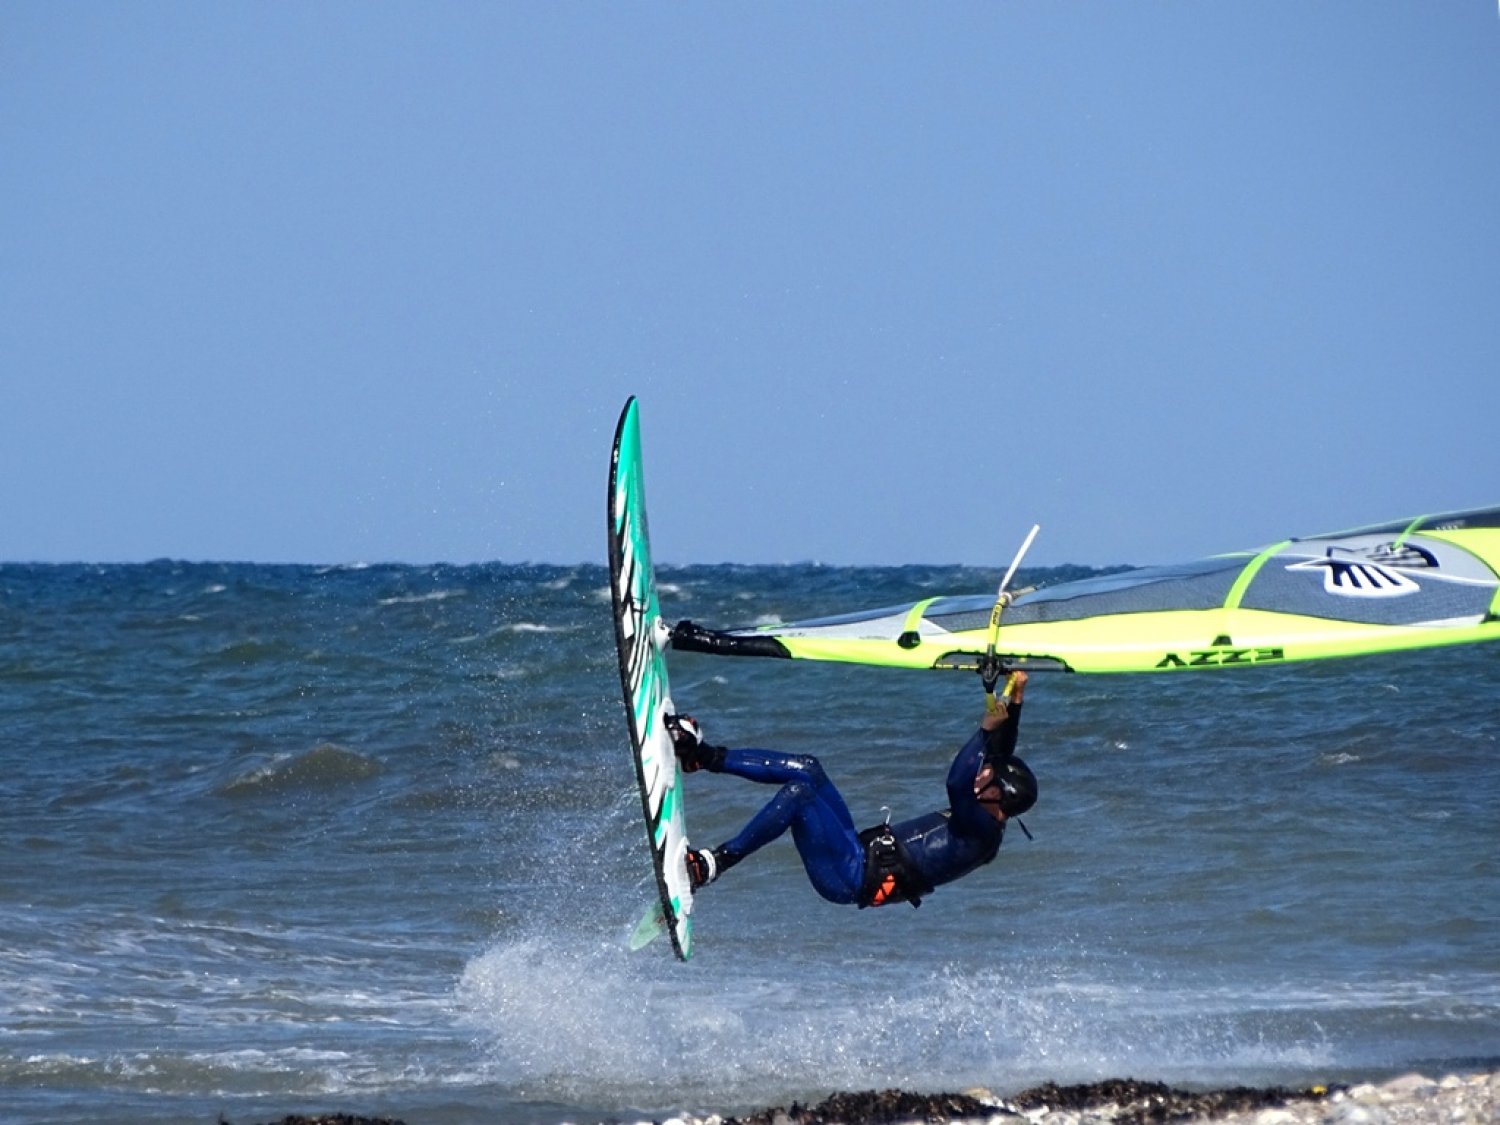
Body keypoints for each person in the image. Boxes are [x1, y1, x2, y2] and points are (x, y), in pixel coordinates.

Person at [665, 671, 1035, 909]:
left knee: (799, 795)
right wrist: (1016, 698)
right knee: (809, 769)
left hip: (849, 876)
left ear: (995, 796)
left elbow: (956, 780)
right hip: (856, 848)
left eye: (986, 776)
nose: (981, 772)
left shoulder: (981, 831)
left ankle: (712, 865)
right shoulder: (992, 808)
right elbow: (1002, 756)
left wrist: (984, 730)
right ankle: (702, 757)